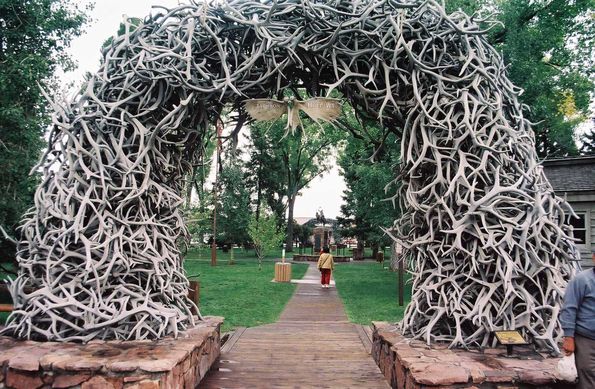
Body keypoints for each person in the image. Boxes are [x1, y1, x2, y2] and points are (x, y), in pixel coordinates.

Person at [560, 249, 595, 389]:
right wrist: (568, 337)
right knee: (588, 375)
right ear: (593, 258)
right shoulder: (582, 280)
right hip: (586, 339)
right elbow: (569, 308)